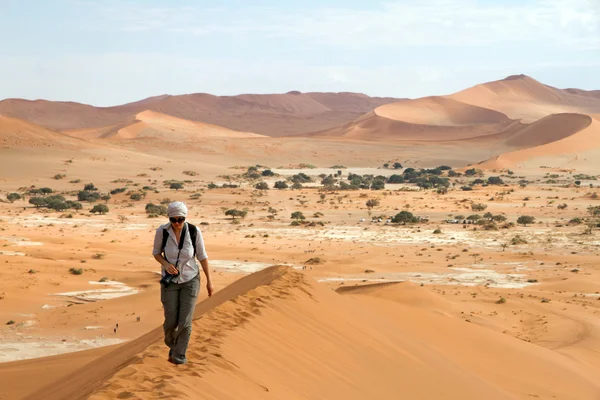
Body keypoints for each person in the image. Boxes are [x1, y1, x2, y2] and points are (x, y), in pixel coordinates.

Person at [153, 201, 213, 364]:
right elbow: (156, 253)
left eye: (181, 219)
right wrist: (166, 264)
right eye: (174, 220)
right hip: (170, 281)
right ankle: (172, 345)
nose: (177, 223)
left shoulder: (194, 231)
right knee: (171, 321)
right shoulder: (162, 232)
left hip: (190, 279)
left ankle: (179, 355)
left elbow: (202, 256)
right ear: (169, 219)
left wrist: (209, 281)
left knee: (185, 322)